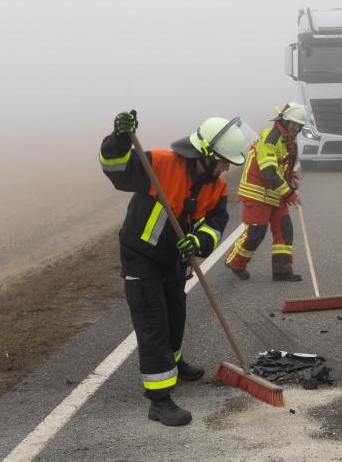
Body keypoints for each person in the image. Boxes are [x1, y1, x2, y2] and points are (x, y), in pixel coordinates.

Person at [99, 110, 245, 426]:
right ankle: (160, 399)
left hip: (174, 260)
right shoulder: (161, 164)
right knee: (153, 322)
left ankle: (174, 365)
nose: (225, 168)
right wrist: (119, 139)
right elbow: (117, 170)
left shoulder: (215, 187)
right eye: (222, 160)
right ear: (204, 154)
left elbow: (216, 223)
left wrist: (198, 242)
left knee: (175, 314)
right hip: (141, 256)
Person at [225, 103, 307, 281]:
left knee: (285, 230)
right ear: (284, 120)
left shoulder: (289, 141)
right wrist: (291, 194)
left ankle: (282, 271)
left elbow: (283, 163)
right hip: (258, 194)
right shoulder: (271, 137)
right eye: (293, 123)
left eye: (299, 125)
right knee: (256, 234)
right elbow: (268, 173)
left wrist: (291, 174)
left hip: (276, 194)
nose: (296, 127)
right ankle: (235, 263)